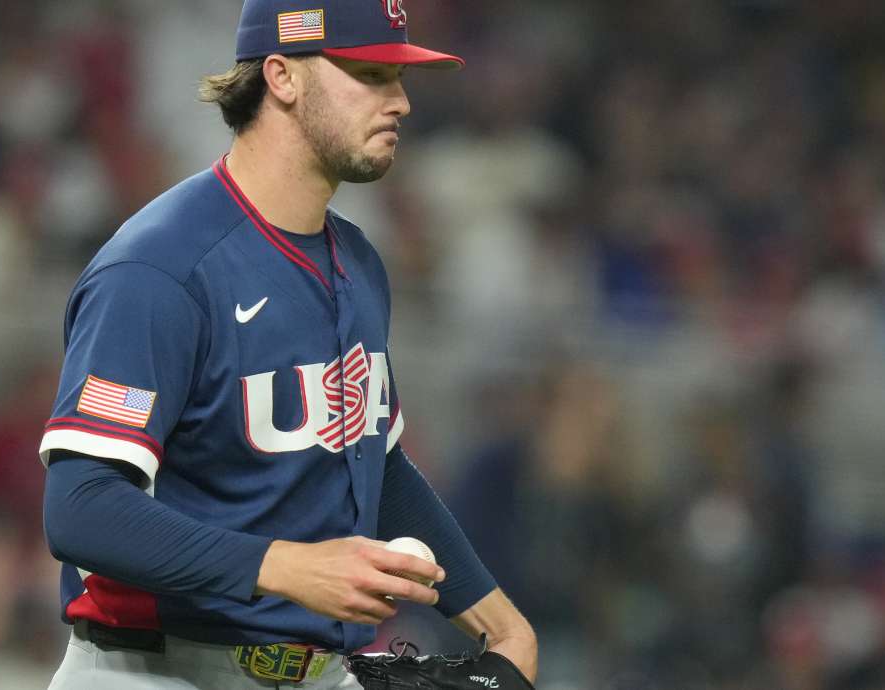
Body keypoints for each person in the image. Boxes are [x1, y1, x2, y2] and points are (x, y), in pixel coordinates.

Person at [38, 1, 537, 688]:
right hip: (150, 669)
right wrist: (285, 566)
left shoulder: (358, 262)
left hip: (317, 672)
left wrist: (504, 625)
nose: (401, 102)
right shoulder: (160, 268)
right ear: (281, 76)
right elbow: (81, 507)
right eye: (370, 73)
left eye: (400, 78)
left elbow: (378, 466)